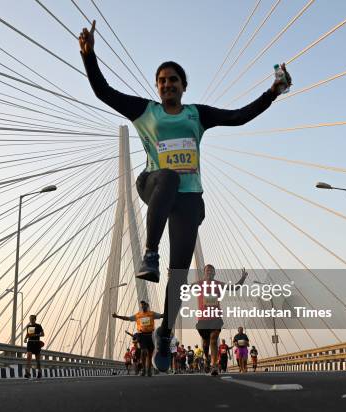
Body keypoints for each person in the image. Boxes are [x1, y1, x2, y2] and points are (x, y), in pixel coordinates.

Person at [79, 22, 290, 371]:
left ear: (183, 86)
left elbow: (239, 117)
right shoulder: (145, 111)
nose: (166, 85)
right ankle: (149, 252)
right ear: (157, 87)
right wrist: (89, 56)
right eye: (161, 80)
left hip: (188, 200)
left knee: (178, 274)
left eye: (172, 80)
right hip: (154, 184)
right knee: (167, 178)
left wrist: (272, 92)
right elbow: (104, 92)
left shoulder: (197, 114)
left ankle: (164, 332)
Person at [196, 264, 247, 375]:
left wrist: (243, 278)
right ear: (204, 273)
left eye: (211, 271)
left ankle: (214, 366)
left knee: (213, 340)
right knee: (205, 343)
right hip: (203, 318)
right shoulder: (199, 284)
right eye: (207, 271)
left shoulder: (218, 284)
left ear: (214, 273)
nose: (209, 272)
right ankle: (206, 358)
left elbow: (235, 288)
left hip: (215, 317)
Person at [112, 300, 163, 377]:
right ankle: (143, 370)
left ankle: (148, 370)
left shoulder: (152, 314)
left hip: (151, 335)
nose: (143, 307)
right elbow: (127, 318)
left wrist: (169, 313)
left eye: (144, 305)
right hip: (142, 335)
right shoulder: (138, 315)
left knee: (149, 354)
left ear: (147, 306)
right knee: (143, 351)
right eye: (141, 306)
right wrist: (117, 316)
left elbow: (161, 315)